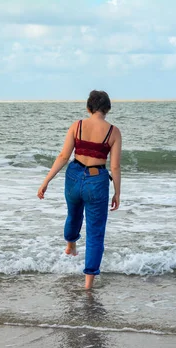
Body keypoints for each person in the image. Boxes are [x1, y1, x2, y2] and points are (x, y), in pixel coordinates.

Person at [37, 90, 122, 289]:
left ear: (88, 107)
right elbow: (115, 167)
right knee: (95, 232)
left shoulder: (77, 126)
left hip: (74, 176)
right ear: (107, 108)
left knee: (73, 216)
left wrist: (46, 181)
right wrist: (117, 192)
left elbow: (63, 156)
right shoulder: (113, 132)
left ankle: (70, 245)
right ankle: (88, 283)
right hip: (97, 180)